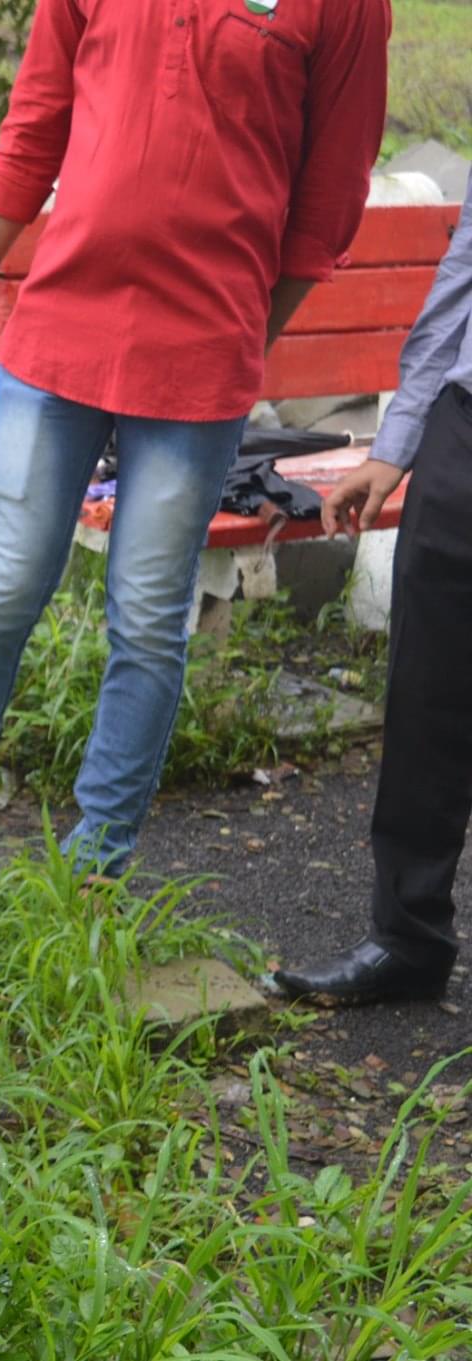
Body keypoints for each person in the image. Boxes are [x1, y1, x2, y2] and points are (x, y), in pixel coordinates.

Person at [0, 0, 392, 908]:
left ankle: (97, 869)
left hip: (200, 359)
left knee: (150, 617)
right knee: (1, 591)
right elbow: (33, 133)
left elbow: (329, 200)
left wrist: (240, 339)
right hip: (60, 336)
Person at [273, 176, 472, 1005]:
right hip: (466, 425)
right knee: (427, 692)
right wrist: (396, 447)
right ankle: (406, 936)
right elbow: (458, 291)